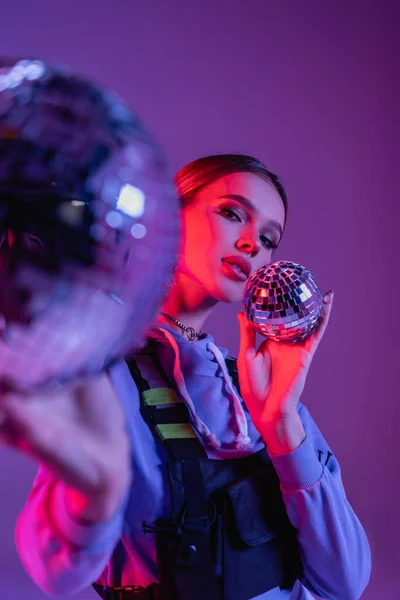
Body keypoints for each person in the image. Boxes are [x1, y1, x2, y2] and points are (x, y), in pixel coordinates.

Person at [0, 154, 370, 600]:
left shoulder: (256, 387)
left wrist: (282, 423)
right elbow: (55, 571)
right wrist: (95, 493)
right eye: (233, 214)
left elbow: (346, 581)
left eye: (269, 238)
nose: (253, 244)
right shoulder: (104, 375)